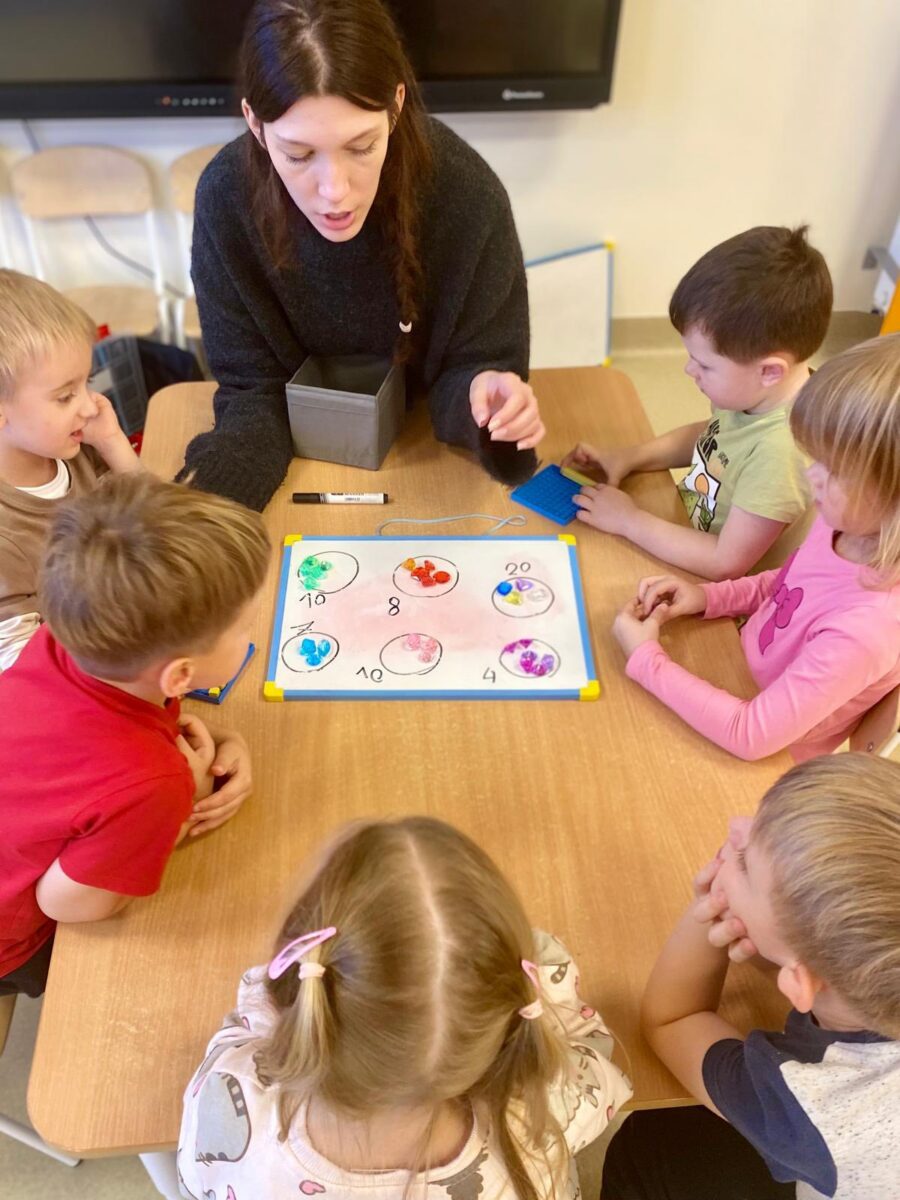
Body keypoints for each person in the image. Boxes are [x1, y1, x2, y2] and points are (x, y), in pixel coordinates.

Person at [179, 0, 544, 513]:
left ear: (396, 105)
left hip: (422, 459)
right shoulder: (225, 198)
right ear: (254, 124)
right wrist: (204, 516)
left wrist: (486, 396)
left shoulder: (465, 192)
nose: (335, 191)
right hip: (307, 455)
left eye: (362, 147)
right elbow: (252, 391)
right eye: (299, 155)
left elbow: (478, 365)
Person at [177, 816, 631, 1199]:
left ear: (299, 981)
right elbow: (593, 1054)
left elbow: (244, 1026)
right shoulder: (538, 1111)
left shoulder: (231, 1099)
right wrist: (550, 976)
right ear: (511, 1011)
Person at [0, 473, 270, 997]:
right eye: (242, 628)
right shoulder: (150, 786)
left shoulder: (62, 639)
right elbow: (66, 904)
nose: (249, 636)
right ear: (181, 676)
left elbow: (83, 733)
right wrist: (177, 804)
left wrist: (213, 737)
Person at [602, 752, 900, 1200]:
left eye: (743, 860)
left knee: (648, 1138)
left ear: (800, 983)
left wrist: (710, 909)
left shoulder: (814, 1103)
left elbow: (671, 1020)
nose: (736, 826)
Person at [610, 333, 900, 761]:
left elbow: (750, 735)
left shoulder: (868, 630)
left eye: (835, 470)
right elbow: (786, 586)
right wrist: (708, 598)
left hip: (759, 760)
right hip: (732, 673)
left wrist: (645, 658)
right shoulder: (846, 526)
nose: (811, 476)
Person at [564, 226, 832, 579]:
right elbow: (711, 437)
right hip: (683, 532)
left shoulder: (781, 453)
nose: (689, 370)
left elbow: (725, 563)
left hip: (718, 586)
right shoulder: (754, 393)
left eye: (705, 365)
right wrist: (629, 457)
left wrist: (629, 521)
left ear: (769, 371)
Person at [0, 269, 141, 669]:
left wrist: (113, 443)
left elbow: (157, 520)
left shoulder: (73, 449)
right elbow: (20, 668)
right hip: (87, 670)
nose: (89, 405)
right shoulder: (6, 538)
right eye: (65, 396)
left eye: (86, 383)